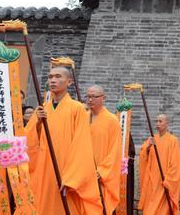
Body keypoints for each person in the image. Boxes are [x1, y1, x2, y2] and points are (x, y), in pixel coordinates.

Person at [25, 66, 102, 214]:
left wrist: (72, 177)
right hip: (43, 169)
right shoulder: (42, 109)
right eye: (50, 77)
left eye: (58, 76)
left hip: (65, 171)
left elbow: (82, 145)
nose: (53, 80)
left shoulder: (77, 109)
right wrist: (38, 124)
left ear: (69, 82)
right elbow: (29, 141)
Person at [86, 85, 122, 214]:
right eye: (88, 96)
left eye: (94, 97)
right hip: (84, 173)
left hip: (101, 175)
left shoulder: (112, 120)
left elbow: (115, 150)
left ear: (103, 98)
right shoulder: (83, 117)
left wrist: (101, 171)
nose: (90, 100)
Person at [138, 114, 180, 215]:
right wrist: (148, 147)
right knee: (148, 210)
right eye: (156, 121)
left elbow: (176, 163)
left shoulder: (173, 140)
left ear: (167, 123)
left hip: (164, 180)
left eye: (160, 121)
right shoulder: (152, 139)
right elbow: (143, 154)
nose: (157, 124)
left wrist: (169, 180)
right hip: (152, 180)